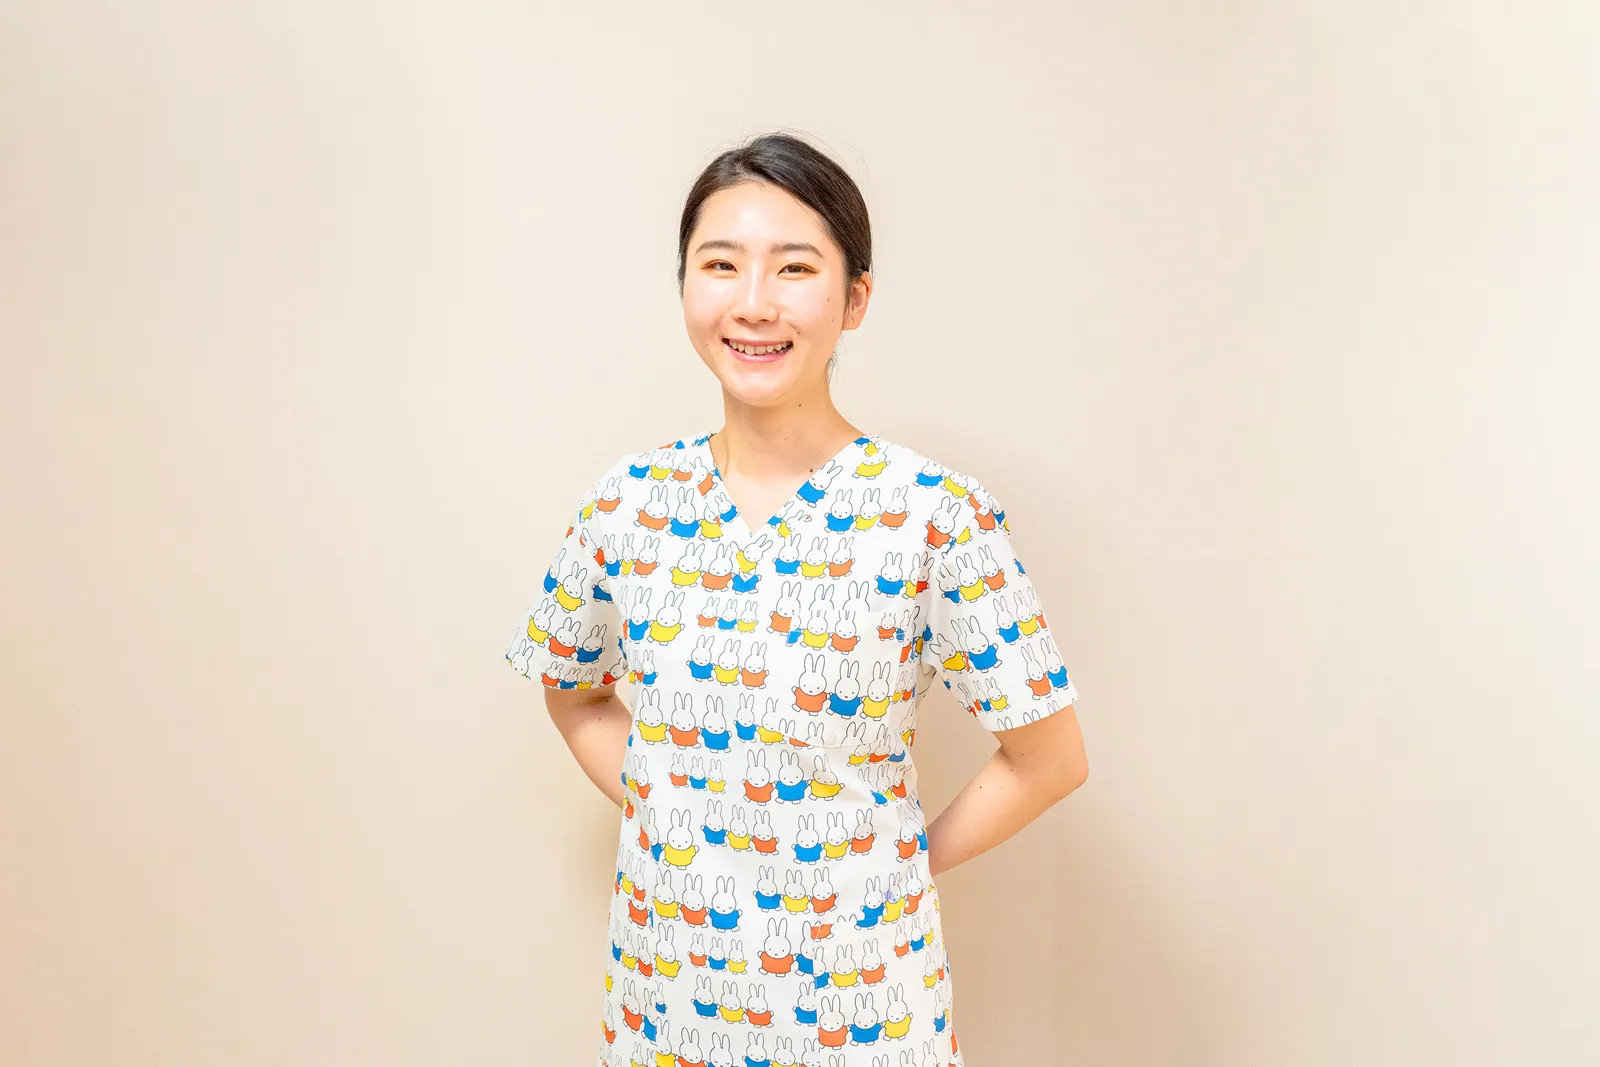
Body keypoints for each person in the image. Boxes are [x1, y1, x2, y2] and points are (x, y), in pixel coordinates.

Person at [506, 131, 1089, 1067]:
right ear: (686, 286)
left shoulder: (933, 514)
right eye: (720, 264)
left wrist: (890, 862)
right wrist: (680, 813)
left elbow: (1049, 758)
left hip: (862, 1014)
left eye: (794, 267)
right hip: (666, 1007)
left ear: (855, 298)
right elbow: (572, 692)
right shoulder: (628, 504)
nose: (753, 302)